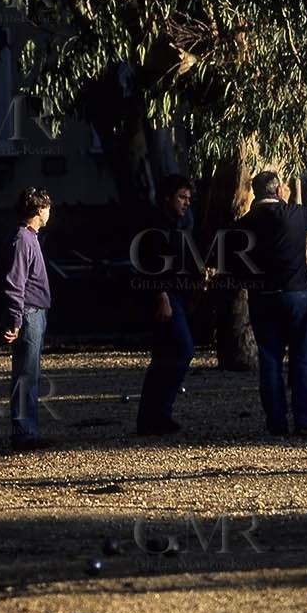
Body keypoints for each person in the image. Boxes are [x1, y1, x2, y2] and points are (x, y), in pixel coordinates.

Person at [244, 172, 307, 437]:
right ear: (279, 191)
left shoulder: (244, 224)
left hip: (262, 298)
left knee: (269, 359)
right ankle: (305, 419)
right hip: (297, 296)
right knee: (304, 357)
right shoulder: (295, 215)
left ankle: (276, 422)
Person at [135, 173, 195, 437]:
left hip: (176, 295)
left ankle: (153, 417)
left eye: (189, 198)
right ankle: (158, 413)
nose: (186, 203)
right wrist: (162, 295)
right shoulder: (155, 226)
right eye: (182, 197)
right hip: (166, 297)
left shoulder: (175, 226)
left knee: (163, 357)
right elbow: (150, 265)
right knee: (182, 349)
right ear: (167, 197)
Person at [0, 188, 52, 449]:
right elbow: (14, 283)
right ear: (39, 210)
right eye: (48, 207)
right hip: (29, 314)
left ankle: (27, 430)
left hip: (34, 313)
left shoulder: (29, 238)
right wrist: (16, 320)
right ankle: (23, 433)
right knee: (26, 375)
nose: (50, 212)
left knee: (30, 374)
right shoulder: (23, 240)